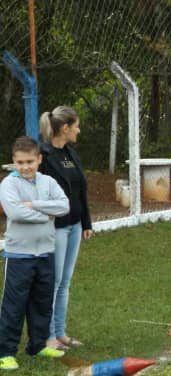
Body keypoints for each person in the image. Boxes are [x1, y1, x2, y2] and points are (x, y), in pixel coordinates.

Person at [0, 136, 70, 371]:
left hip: (45, 253)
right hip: (18, 255)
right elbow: (15, 213)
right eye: (20, 162)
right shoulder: (8, 184)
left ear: (39, 159)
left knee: (42, 302)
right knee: (14, 305)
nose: (25, 167)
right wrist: (46, 216)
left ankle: (38, 345)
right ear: (14, 161)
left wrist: (35, 205)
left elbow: (64, 206)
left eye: (30, 161)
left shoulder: (48, 182)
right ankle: (5, 352)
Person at [38, 106, 93, 350]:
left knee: (65, 282)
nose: (79, 131)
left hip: (75, 226)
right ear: (65, 128)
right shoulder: (43, 155)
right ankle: (48, 336)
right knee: (54, 280)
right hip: (56, 227)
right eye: (76, 126)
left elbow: (81, 191)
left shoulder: (71, 153)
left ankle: (61, 333)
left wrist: (86, 222)